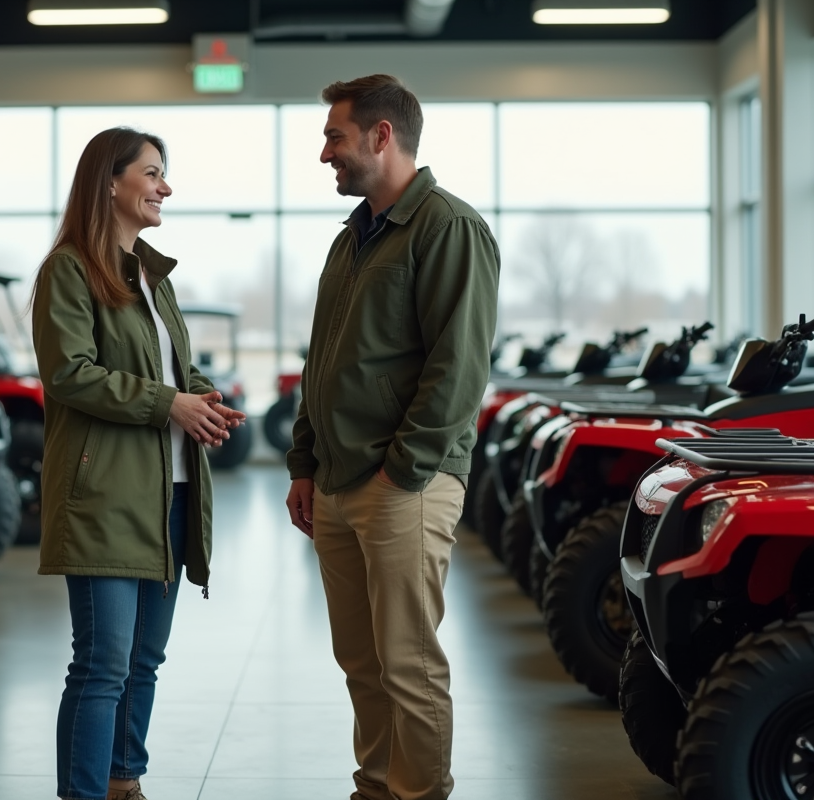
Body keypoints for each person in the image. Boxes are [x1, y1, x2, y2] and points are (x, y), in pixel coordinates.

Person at [284, 75, 501, 800]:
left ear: (382, 136)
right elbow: (324, 361)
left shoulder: (447, 227)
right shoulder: (353, 241)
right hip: (341, 483)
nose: (325, 155)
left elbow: (457, 368)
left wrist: (400, 473)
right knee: (363, 663)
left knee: (407, 662)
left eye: (334, 137)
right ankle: (375, 789)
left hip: (403, 483)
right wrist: (304, 462)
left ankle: (418, 795)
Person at [30, 127, 245, 800]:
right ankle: (85, 793)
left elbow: (169, 368)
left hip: (170, 492)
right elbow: (70, 373)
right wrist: (168, 405)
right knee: (102, 666)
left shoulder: (151, 275)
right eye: (152, 173)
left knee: (143, 662)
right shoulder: (69, 268)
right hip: (106, 494)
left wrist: (201, 397)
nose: (165, 187)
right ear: (110, 182)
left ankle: (125, 781)